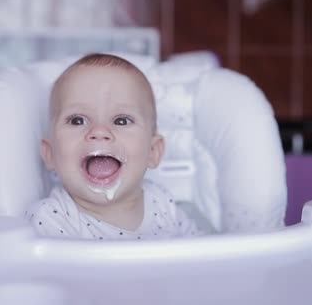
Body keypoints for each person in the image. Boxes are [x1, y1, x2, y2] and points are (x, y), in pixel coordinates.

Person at [26, 53, 200, 240]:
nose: (99, 131)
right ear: (50, 154)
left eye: (121, 120)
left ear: (153, 151)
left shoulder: (162, 203)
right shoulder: (50, 221)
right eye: (77, 120)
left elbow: (204, 255)